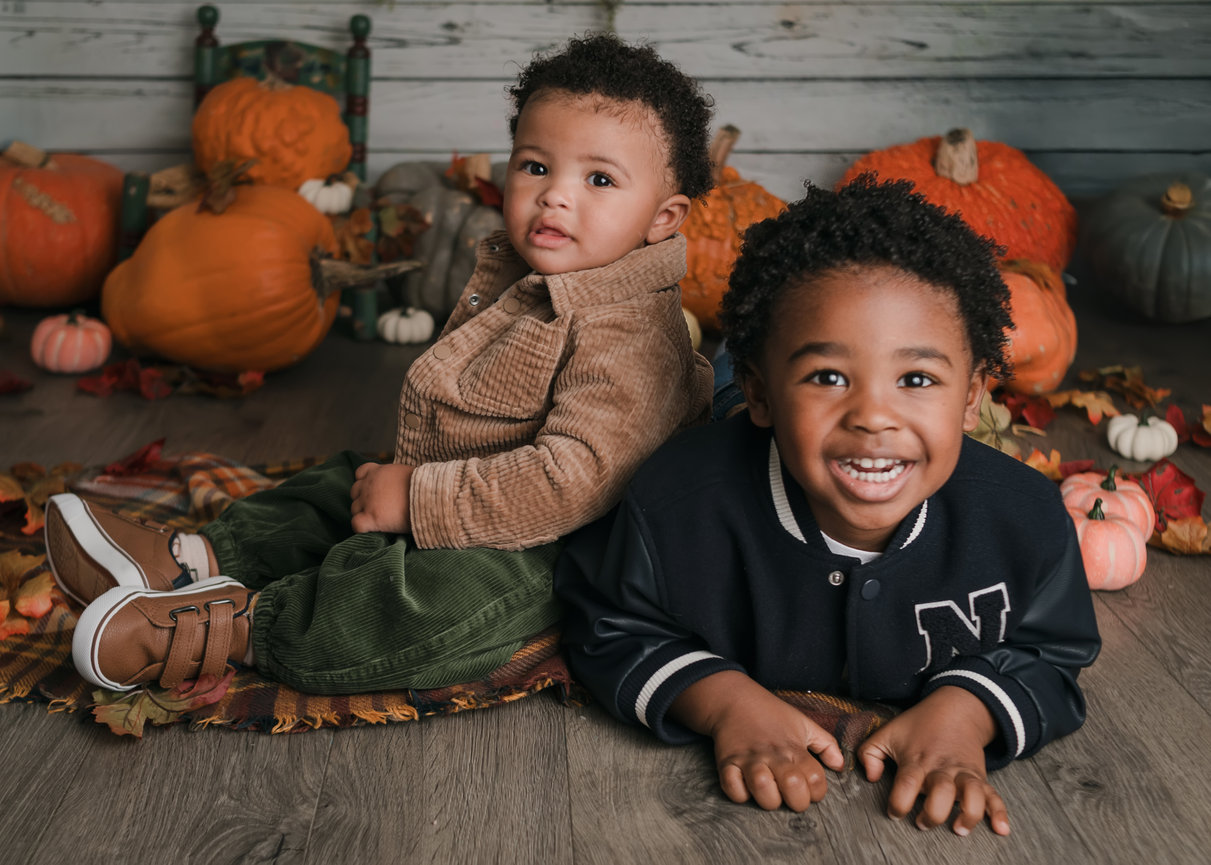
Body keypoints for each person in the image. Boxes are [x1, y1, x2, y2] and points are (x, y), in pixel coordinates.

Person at [47, 33, 716, 696]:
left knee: (425, 601)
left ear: (663, 217)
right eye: (535, 166)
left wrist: (419, 499)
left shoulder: (632, 336)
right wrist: (404, 487)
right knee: (342, 482)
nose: (554, 197)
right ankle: (194, 562)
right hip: (468, 487)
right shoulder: (533, 271)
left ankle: (243, 627)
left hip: (561, 551)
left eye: (598, 179)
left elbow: (571, 483)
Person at [554, 177, 1101, 837]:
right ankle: (736, 374)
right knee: (724, 388)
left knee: (808, 420)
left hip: (789, 424)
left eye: (917, 379)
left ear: (972, 397)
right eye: (829, 375)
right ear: (766, 393)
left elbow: (1052, 648)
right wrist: (724, 702)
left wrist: (966, 710)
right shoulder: (674, 506)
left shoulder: (1026, 520)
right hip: (750, 425)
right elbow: (608, 621)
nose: (872, 415)